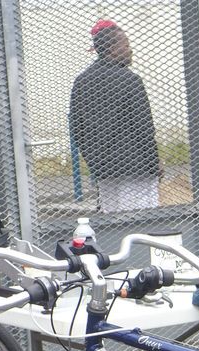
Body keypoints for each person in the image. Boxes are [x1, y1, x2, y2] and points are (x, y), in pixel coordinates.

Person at [69, 19, 162, 214]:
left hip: (104, 169)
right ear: (112, 49)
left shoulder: (82, 81)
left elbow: (77, 128)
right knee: (142, 220)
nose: (130, 50)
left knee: (111, 220)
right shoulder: (130, 80)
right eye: (126, 45)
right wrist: (154, 163)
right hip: (137, 167)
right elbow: (143, 128)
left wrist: (94, 162)